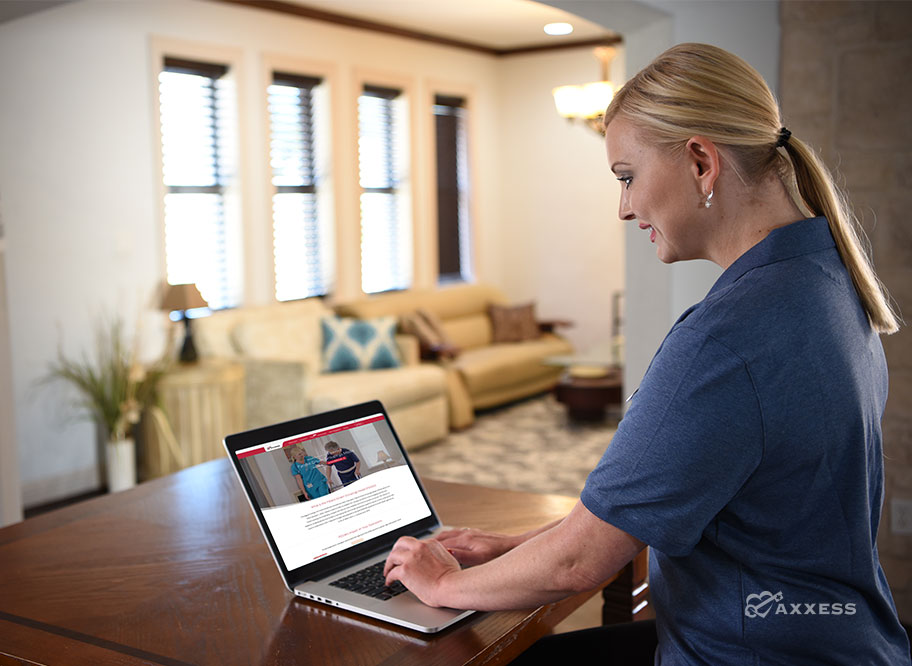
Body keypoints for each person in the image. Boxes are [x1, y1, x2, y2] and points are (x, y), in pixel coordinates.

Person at [383, 43, 910, 664]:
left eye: (627, 177)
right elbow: (651, 504)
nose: (625, 207)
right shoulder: (826, 279)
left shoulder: (725, 340)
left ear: (700, 163)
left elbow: (581, 561)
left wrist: (444, 583)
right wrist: (513, 547)